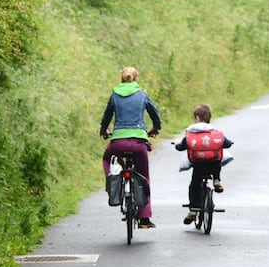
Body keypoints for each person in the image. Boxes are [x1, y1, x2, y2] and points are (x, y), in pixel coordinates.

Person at [100, 66, 162, 229]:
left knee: (107, 158)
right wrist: (155, 128)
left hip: (118, 143)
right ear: (135, 79)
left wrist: (104, 131)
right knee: (143, 176)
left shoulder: (114, 95)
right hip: (138, 142)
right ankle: (144, 218)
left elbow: (107, 117)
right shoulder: (142, 94)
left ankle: (111, 183)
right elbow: (155, 114)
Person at [173, 104, 233, 225]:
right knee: (217, 160)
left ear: (197, 118)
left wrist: (176, 144)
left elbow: (180, 147)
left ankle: (193, 211)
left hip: (199, 165)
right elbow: (226, 144)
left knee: (194, 186)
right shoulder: (215, 132)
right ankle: (216, 180)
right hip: (213, 164)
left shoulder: (191, 133)